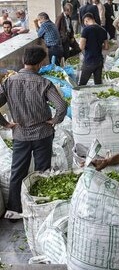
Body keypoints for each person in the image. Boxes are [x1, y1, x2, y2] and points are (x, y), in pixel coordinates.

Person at [0, 46, 68, 221]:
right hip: (42, 134)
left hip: (20, 134)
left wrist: (6, 123)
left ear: (24, 60)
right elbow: (61, 106)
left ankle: (14, 210)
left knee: (17, 171)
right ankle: (39, 207)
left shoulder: (8, 82)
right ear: (39, 64)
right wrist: (54, 121)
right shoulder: (44, 83)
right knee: (42, 171)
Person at [78, 12, 108, 85]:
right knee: (98, 84)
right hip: (99, 61)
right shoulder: (103, 30)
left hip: (89, 60)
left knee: (82, 84)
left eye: (85, 22)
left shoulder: (86, 30)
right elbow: (106, 47)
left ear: (86, 20)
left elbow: (81, 47)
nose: (85, 24)